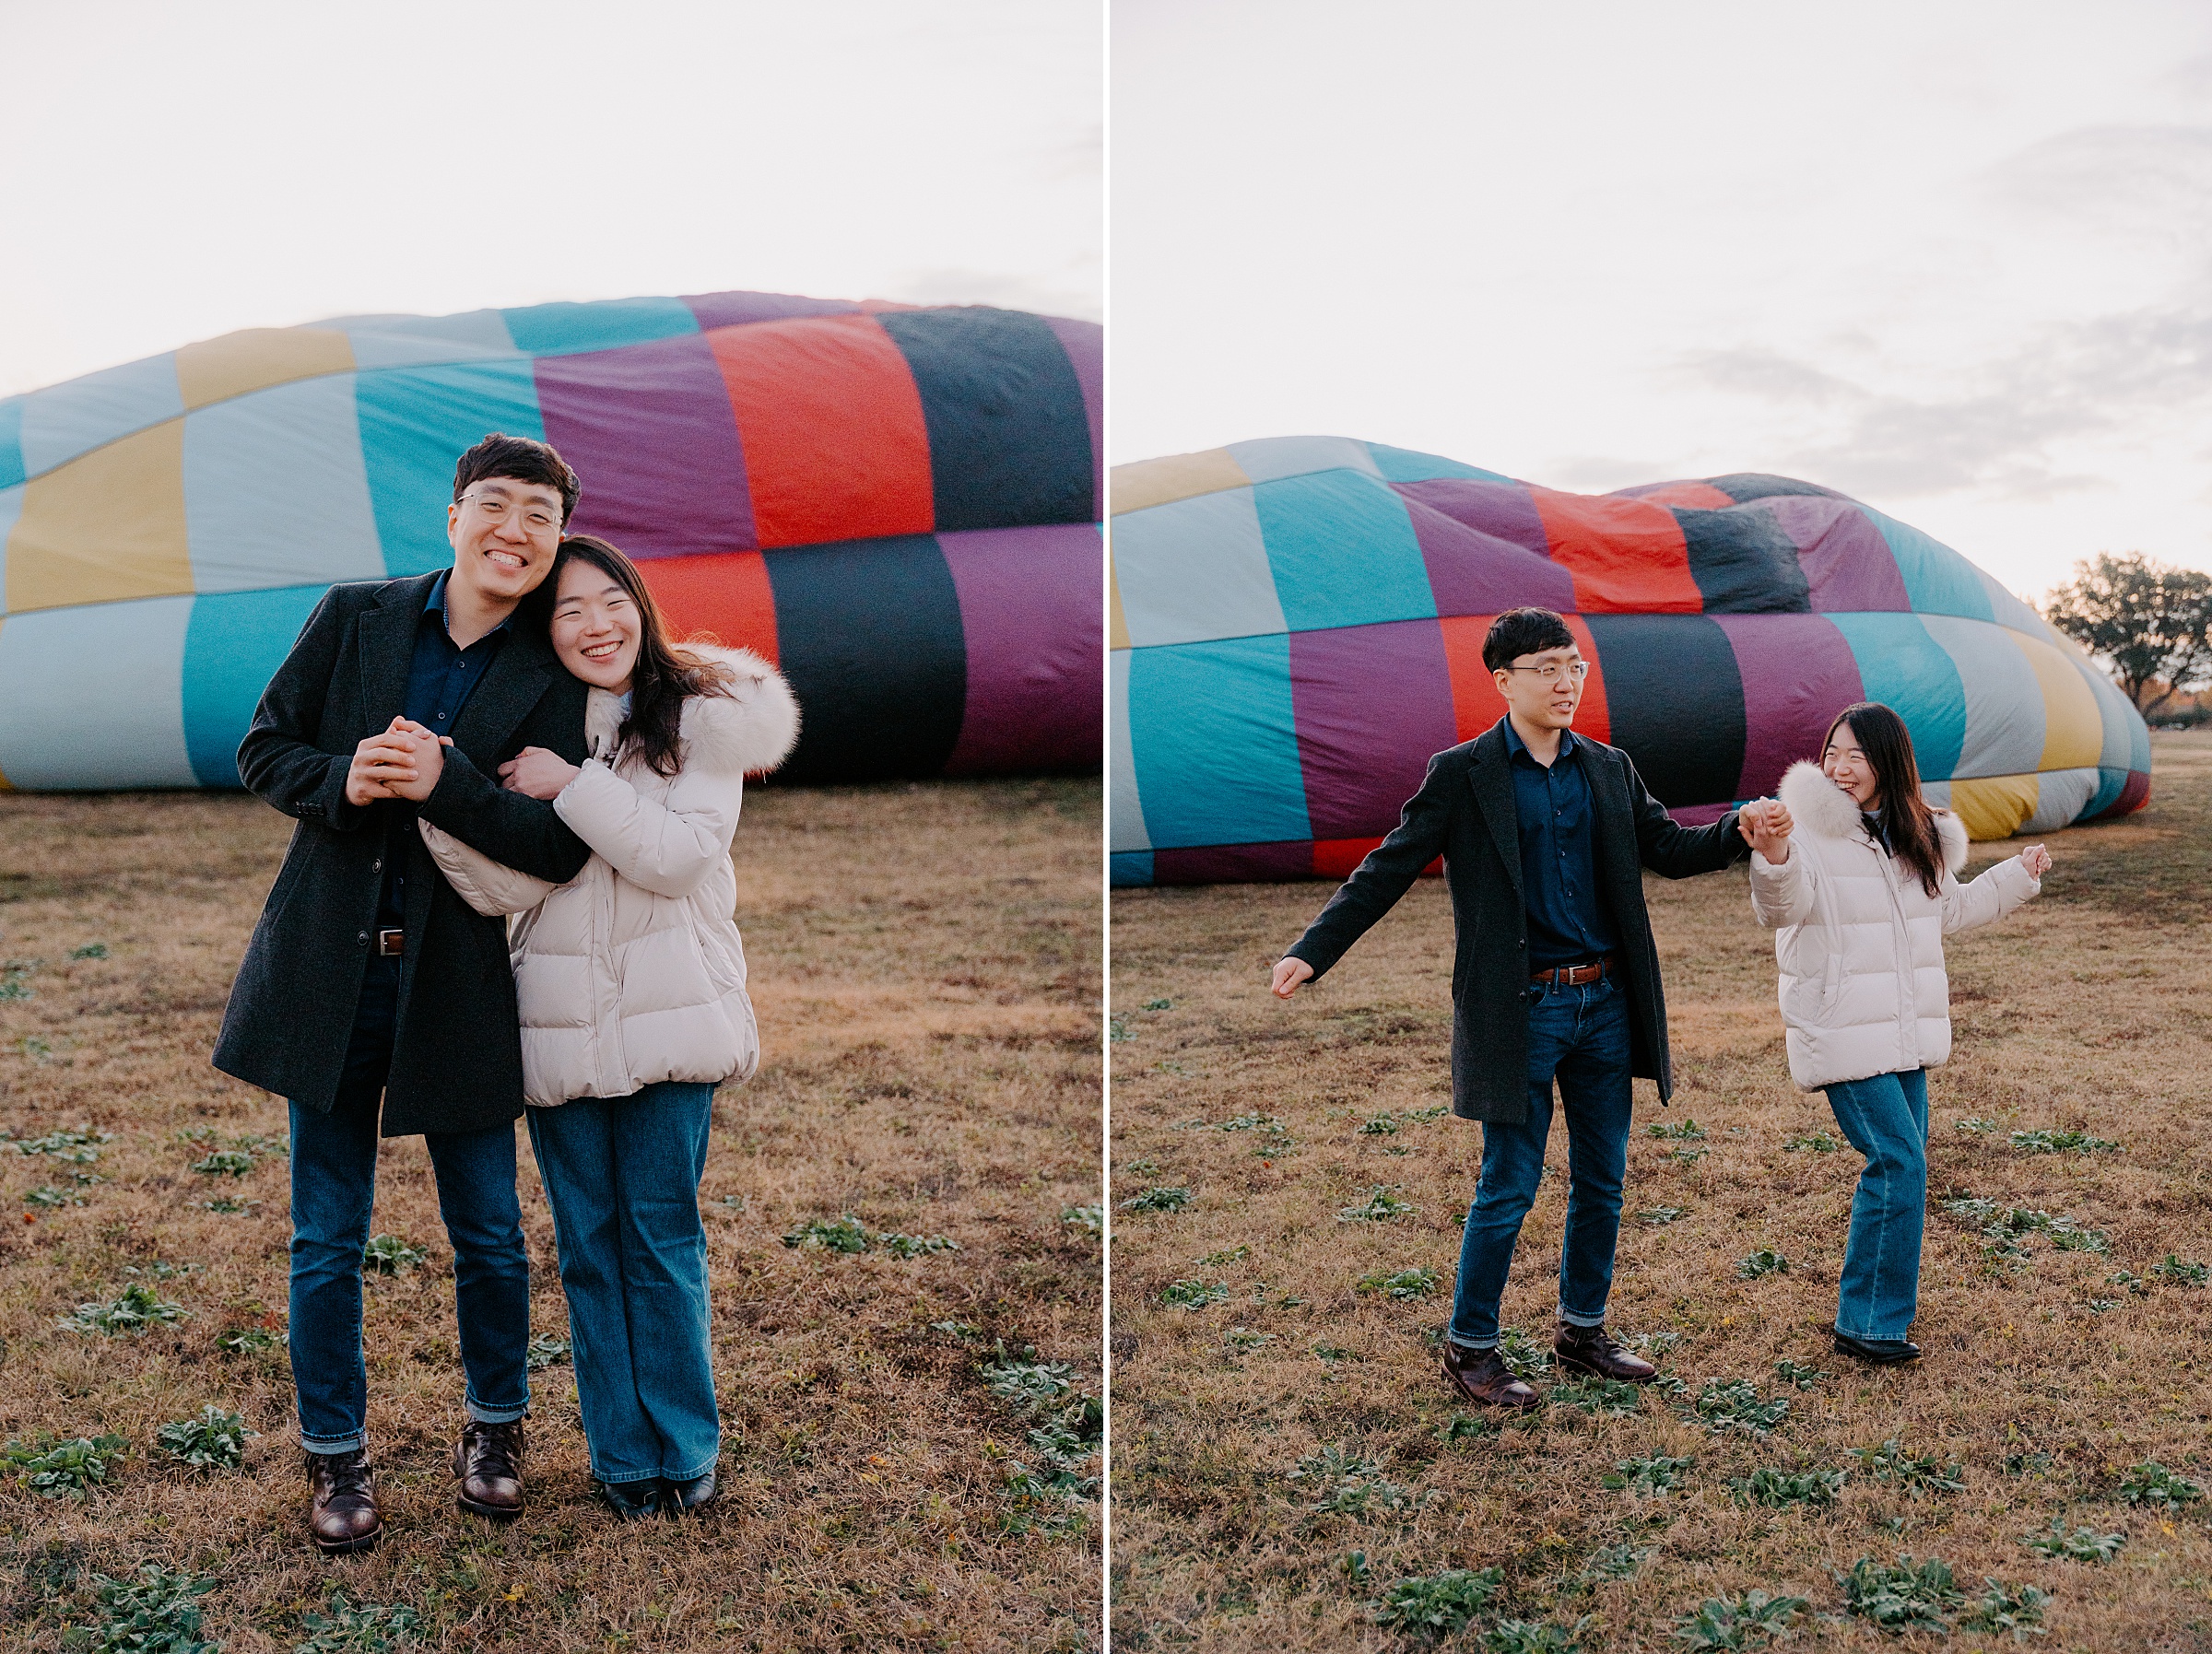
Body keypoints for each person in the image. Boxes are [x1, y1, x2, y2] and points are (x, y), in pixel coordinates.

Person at [213, 434, 595, 1554]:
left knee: (489, 1232)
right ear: (455, 516)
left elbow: (555, 843)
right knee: (326, 1236)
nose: (514, 530)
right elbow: (264, 749)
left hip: (457, 981)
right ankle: (336, 1455)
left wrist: (449, 784)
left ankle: (495, 1433)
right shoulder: (356, 616)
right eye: (495, 506)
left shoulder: (553, 664)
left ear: (558, 538)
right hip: (328, 973)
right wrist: (344, 777)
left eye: (539, 515)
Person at [1272, 607, 1749, 1410]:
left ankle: (1583, 1330)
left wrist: (1739, 827)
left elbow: (1669, 847)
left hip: (1605, 1003)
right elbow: (1388, 866)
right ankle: (1471, 1345)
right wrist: (1313, 949)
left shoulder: (1608, 767)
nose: (1567, 682)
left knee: (1603, 1178)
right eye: (1547, 668)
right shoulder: (1463, 772)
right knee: (1509, 1184)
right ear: (1503, 680)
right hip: (1521, 1009)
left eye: (1575, 666)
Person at [417, 534, 799, 1518]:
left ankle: (685, 1444)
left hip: (674, 1015)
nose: (596, 625)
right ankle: (624, 1457)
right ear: (544, 632)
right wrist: (451, 796)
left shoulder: (702, 718)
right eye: (569, 611)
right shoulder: (531, 725)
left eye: (610, 600)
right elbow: (502, 882)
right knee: (588, 1244)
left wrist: (572, 786)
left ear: (641, 604)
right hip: (558, 1017)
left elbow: (677, 857)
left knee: (661, 1236)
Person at [1739, 701, 2048, 1366]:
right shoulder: (1807, 831)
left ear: (1889, 762)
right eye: (1832, 753)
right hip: (1842, 1026)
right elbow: (1781, 907)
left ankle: (1874, 1314)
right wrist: (1773, 857)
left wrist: (2017, 876)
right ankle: (1870, 1324)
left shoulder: (1916, 835)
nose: (1839, 767)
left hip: (1902, 1030)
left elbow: (1951, 910)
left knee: (1905, 1163)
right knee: (1899, 1162)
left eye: (1856, 755)